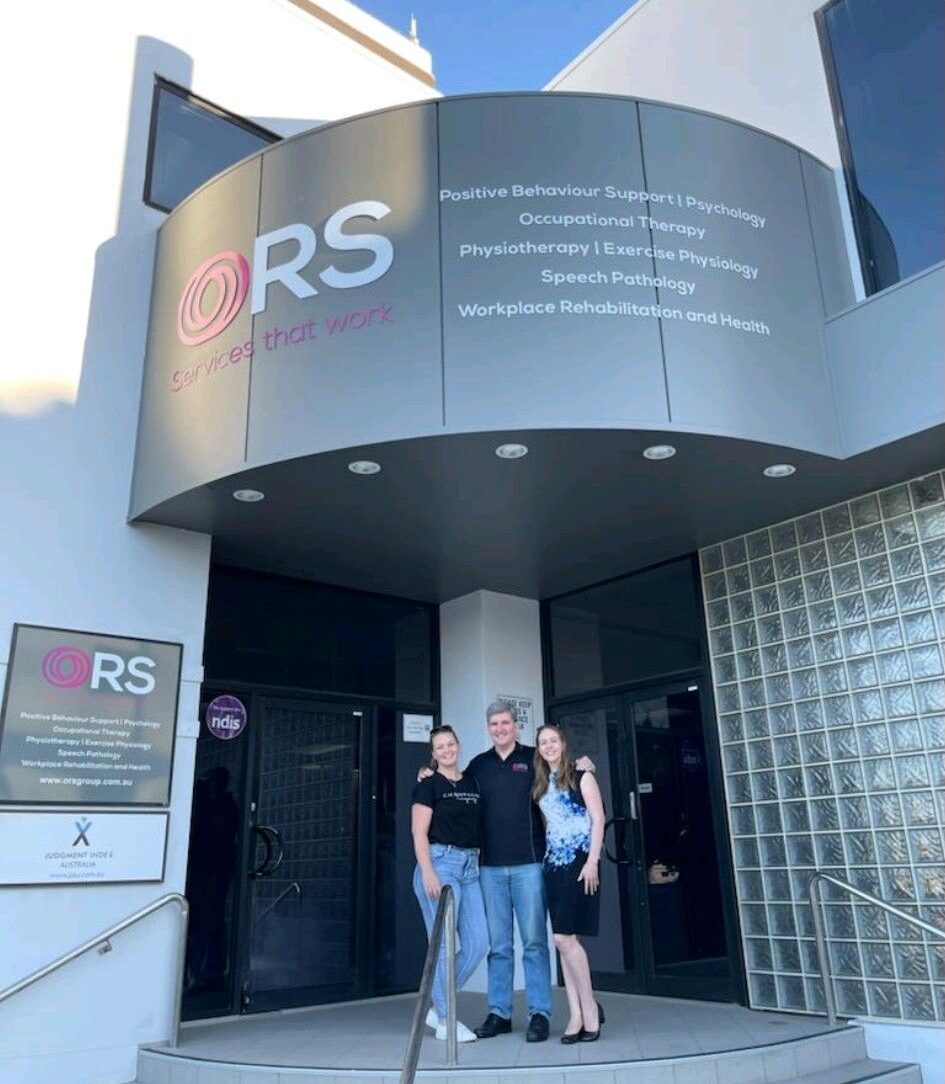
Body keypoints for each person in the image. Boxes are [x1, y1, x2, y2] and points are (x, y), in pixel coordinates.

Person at [411, 724, 489, 1043]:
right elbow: (418, 832)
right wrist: (428, 871)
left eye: (450, 744)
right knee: (444, 944)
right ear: (433, 753)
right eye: (440, 747)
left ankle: (438, 1003)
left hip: (470, 867)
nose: (446, 750)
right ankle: (445, 1019)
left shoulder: (472, 781)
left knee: (478, 943)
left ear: (458, 745)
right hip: (440, 863)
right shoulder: (428, 785)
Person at [533, 723, 606, 1043]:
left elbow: (598, 819)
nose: (549, 746)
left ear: (563, 744)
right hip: (553, 865)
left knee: (563, 938)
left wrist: (593, 861)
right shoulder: (540, 783)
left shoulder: (581, 775)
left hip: (580, 862)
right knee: (564, 940)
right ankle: (576, 1014)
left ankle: (590, 1009)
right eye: (543, 743)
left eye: (553, 740)